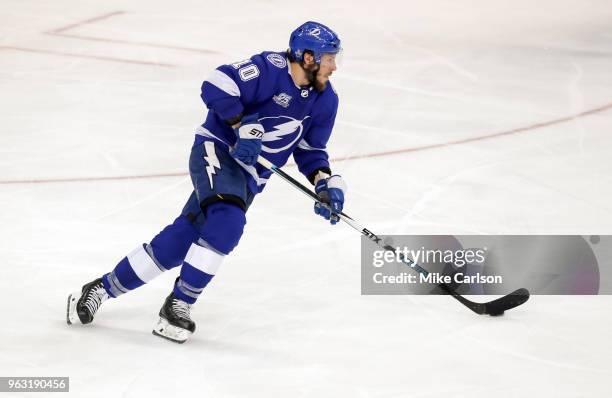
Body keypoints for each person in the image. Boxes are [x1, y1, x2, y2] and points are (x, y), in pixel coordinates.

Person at [66, 21, 346, 343]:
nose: (334, 66)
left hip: (249, 177)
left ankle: (101, 288)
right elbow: (216, 83)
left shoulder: (326, 101)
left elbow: (311, 151)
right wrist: (241, 124)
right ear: (308, 57)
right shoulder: (270, 68)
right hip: (218, 150)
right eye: (328, 58)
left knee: (180, 240)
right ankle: (179, 305)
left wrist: (325, 183)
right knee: (228, 223)